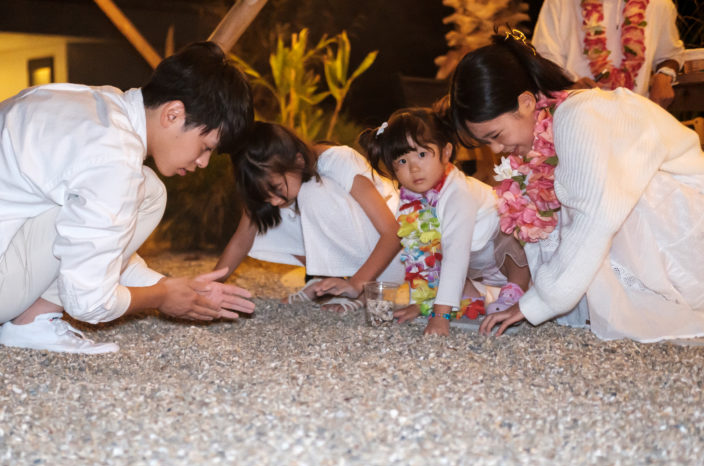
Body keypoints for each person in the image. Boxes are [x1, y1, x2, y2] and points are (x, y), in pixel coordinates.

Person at [0, 41, 256, 353]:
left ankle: (11, 320)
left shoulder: (102, 108)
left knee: (147, 190)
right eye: (206, 147)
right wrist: (161, 297)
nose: (202, 163)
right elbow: (87, 300)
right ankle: (31, 321)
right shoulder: (113, 156)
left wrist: (176, 287)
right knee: (140, 190)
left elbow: (101, 244)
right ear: (173, 114)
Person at [448, 33, 704, 342]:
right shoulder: (550, 125)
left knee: (591, 202)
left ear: (527, 102)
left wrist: (539, 303)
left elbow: (597, 215)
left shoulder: (581, 114)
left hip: (689, 229)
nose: (497, 150)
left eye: (496, 135)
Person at [358, 108, 530, 336]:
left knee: (514, 232)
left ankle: (516, 290)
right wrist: (421, 305)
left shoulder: (458, 191)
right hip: (476, 259)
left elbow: (455, 255)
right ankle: (468, 298)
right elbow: (419, 254)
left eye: (422, 154)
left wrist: (440, 317)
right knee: (431, 249)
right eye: (402, 160)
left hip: (508, 250)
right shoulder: (410, 200)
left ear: (446, 152)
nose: (414, 168)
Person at [214, 121, 403, 313]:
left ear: (299, 161)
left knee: (310, 192)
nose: (274, 200)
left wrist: (357, 284)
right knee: (264, 212)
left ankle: (359, 290)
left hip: (398, 259)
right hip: (366, 260)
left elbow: (394, 232)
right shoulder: (273, 187)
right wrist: (210, 286)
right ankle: (325, 281)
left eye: (277, 188)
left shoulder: (337, 160)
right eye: (266, 194)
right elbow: (241, 241)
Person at [532, 0, 685, 108]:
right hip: (578, 116)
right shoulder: (559, 3)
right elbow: (543, 62)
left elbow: (669, 54)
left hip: (637, 119)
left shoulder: (659, 4)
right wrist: (570, 87)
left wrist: (664, 75)